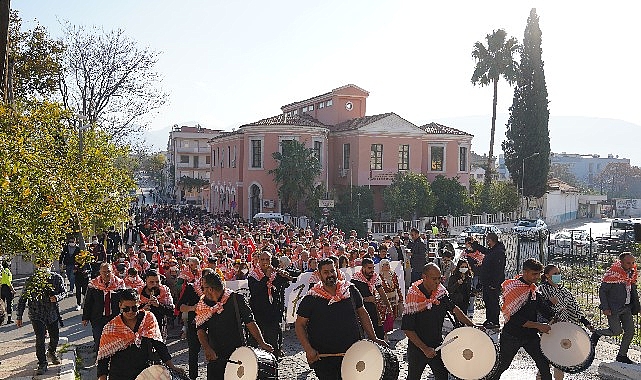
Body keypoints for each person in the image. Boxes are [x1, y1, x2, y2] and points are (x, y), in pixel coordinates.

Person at [296, 258, 387, 380]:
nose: (330, 275)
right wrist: (308, 349)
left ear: (337, 271)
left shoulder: (350, 290)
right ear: (319, 274)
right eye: (326, 272)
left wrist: (373, 337)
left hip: (353, 353)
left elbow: (362, 313)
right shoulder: (311, 298)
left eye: (332, 271)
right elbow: (300, 324)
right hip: (325, 358)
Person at [402, 263, 475, 380]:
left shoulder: (441, 293)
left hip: (437, 346)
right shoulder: (413, 297)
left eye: (439, 278)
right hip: (418, 349)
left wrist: (472, 325)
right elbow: (407, 329)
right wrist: (425, 349)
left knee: (442, 377)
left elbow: (454, 310)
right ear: (424, 277)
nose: (437, 282)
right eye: (434, 279)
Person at [196, 271, 274, 380]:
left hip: (237, 354)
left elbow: (250, 322)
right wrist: (207, 348)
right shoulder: (203, 304)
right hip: (216, 356)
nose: (202, 291)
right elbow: (200, 329)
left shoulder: (236, 299)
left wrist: (262, 343)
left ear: (210, 289)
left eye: (203, 287)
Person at [96, 288, 185, 380]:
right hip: (120, 374)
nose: (130, 311)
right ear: (120, 305)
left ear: (138, 304)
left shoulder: (148, 319)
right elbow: (103, 357)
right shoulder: (111, 327)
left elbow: (159, 345)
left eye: (134, 308)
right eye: (126, 309)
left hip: (145, 373)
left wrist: (172, 367)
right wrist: (102, 377)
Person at [488, 259, 554, 380]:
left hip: (530, 336)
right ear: (525, 272)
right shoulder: (513, 289)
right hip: (512, 335)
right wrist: (539, 326)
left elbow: (543, 308)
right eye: (534, 274)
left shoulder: (533, 289)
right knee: (502, 366)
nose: (537, 277)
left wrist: (554, 314)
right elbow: (514, 319)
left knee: (544, 365)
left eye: (539, 274)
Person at [537, 264, 594, 380]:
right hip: (549, 327)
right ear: (547, 276)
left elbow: (574, 308)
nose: (558, 276)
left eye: (558, 273)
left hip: (563, 329)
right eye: (555, 274)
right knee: (547, 357)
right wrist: (549, 303)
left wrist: (586, 322)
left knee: (560, 359)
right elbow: (538, 307)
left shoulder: (564, 291)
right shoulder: (542, 289)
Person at [16, 259, 66, 375]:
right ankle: (42, 363)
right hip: (36, 313)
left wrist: (57, 297)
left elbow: (64, 292)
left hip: (51, 313)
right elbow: (23, 299)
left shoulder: (57, 278)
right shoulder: (31, 280)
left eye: (46, 264)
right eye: (41, 264)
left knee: (55, 337)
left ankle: (52, 352)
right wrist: (19, 316)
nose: (44, 267)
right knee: (40, 338)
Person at [591, 252, 639, 364]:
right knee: (616, 331)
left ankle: (622, 355)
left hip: (626, 307)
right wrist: (605, 307)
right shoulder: (613, 274)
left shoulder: (631, 273)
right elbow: (603, 291)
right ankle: (598, 333)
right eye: (628, 263)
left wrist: (637, 306)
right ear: (621, 262)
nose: (631, 265)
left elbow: (633, 291)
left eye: (633, 262)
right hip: (614, 309)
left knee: (630, 331)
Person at [248, 251, 292, 357]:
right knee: (254, 341)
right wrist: (265, 278)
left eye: (267, 259)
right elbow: (255, 290)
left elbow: (288, 282)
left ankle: (273, 363)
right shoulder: (253, 275)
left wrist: (285, 276)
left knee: (272, 341)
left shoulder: (275, 274)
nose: (265, 262)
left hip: (272, 313)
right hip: (258, 312)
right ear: (258, 261)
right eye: (262, 260)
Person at [82, 262, 126, 351]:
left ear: (112, 271)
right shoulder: (93, 284)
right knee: (99, 338)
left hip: (113, 317)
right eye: (103, 272)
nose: (106, 274)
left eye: (108, 271)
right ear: (100, 272)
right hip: (98, 317)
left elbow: (124, 300)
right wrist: (85, 318)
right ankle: (99, 357)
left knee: (113, 339)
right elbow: (88, 302)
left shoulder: (119, 283)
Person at [176, 267, 210, 380]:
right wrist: (193, 308)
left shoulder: (217, 289)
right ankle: (193, 377)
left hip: (211, 326)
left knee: (213, 352)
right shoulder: (191, 288)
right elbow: (180, 306)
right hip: (194, 324)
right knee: (194, 352)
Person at [468, 232, 506, 329]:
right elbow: (485, 251)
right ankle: (489, 319)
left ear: (490, 240)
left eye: (488, 241)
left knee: (493, 302)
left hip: (493, 283)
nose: (487, 243)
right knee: (487, 301)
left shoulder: (498, 252)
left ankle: (494, 321)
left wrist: (495, 283)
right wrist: (475, 245)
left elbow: (498, 270)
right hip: (487, 281)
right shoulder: (493, 250)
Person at [351, 258, 393, 339]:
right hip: (360, 310)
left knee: (379, 332)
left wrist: (389, 306)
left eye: (373, 268)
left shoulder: (375, 277)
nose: (372, 270)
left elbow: (382, 292)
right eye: (369, 268)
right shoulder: (355, 279)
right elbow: (353, 298)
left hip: (373, 309)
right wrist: (366, 299)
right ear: (363, 268)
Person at [139, 269, 175, 341]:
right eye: (151, 282)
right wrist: (142, 310)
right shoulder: (139, 292)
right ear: (146, 281)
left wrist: (159, 305)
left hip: (159, 328)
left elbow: (171, 312)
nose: (155, 284)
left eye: (157, 282)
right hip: (142, 329)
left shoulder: (164, 291)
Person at [377, 259, 403, 340]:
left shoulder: (393, 274)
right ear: (381, 266)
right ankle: (384, 335)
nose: (387, 266)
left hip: (393, 298)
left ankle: (387, 333)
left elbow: (397, 286)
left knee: (392, 316)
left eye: (388, 264)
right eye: (385, 265)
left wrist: (400, 297)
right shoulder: (379, 276)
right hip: (383, 300)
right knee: (385, 317)